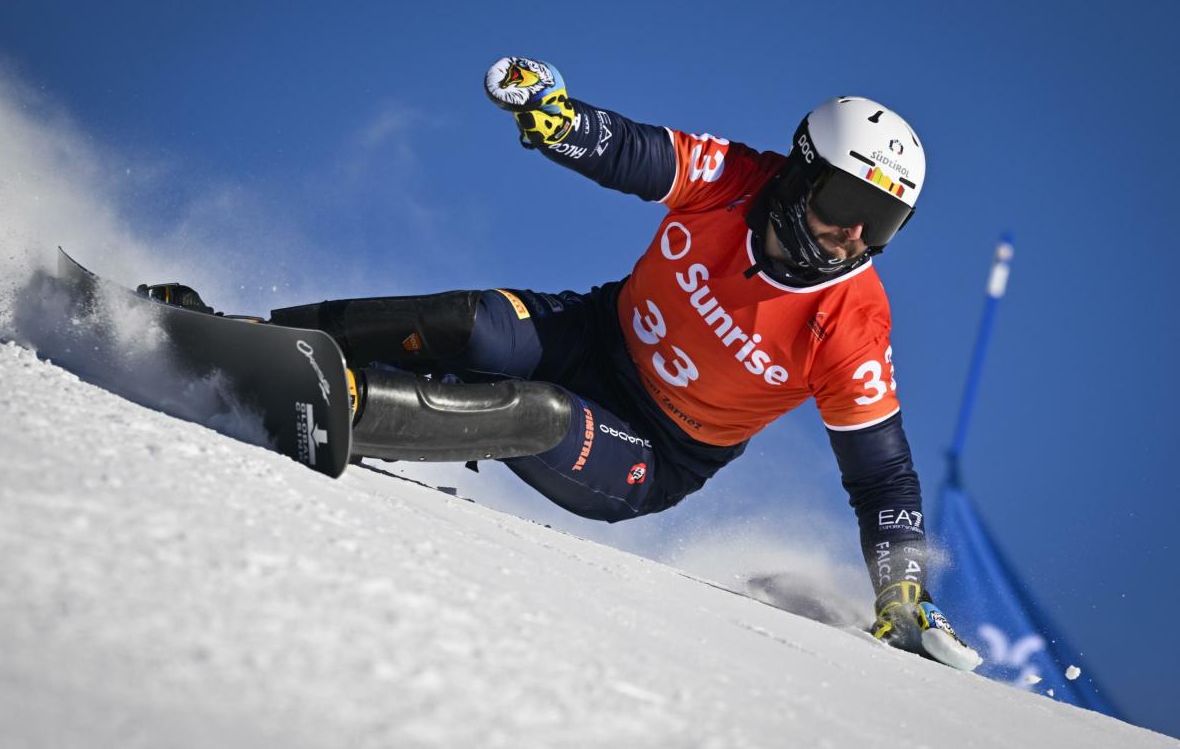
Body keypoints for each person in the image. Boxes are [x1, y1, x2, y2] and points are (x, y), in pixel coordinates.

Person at [231, 57, 979, 670]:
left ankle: (346, 405)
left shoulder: (851, 325)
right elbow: (633, 151)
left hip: (653, 452)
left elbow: (882, 477)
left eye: (879, 222)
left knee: (540, 414)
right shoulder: (736, 180)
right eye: (844, 200)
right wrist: (558, 118)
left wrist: (902, 591)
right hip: (591, 334)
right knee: (470, 326)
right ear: (800, 173)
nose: (851, 234)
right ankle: (252, 337)